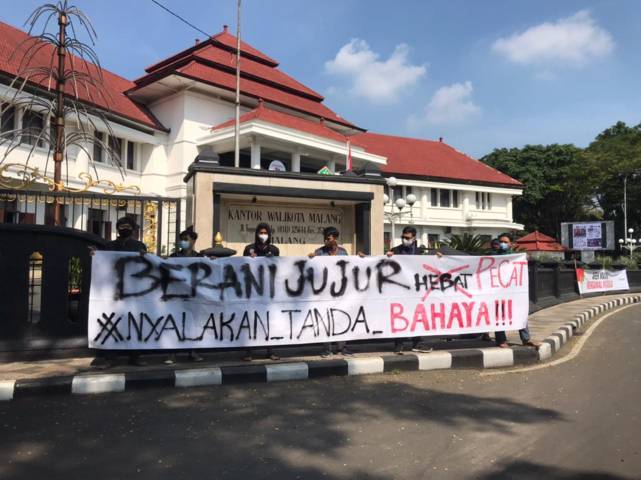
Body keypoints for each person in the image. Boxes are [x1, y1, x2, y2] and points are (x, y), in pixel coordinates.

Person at [91, 216, 148, 368]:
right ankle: (110, 358)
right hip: (113, 292)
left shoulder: (139, 246)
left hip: (134, 292)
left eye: (127, 226)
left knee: (134, 323)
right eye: (121, 225)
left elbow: (146, 266)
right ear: (117, 228)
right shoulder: (109, 246)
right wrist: (95, 255)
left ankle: (135, 357)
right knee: (112, 323)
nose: (124, 228)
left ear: (133, 228)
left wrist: (144, 257)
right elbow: (102, 262)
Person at [309, 226, 353, 357]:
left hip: (340, 292)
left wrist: (361, 258)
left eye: (329, 238)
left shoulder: (343, 253)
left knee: (341, 318)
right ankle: (327, 348)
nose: (326, 241)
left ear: (335, 239)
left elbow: (350, 268)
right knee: (325, 319)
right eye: (325, 239)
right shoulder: (319, 252)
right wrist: (311, 259)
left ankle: (342, 347)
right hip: (325, 293)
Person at [386, 227, 431, 354]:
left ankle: (417, 343)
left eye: (407, 238)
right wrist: (388, 256)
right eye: (403, 237)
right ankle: (399, 344)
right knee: (400, 317)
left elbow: (429, 265)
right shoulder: (395, 251)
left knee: (417, 317)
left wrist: (438, 258)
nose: (405, 240)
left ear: (414, 238)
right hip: (400, 291)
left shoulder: (419, 251)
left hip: (416, 291)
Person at [493, 232, 541, 350]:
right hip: (497, 292)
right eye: (501, 242)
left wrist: (526, 258)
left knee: (520, 313)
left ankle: (526, 339)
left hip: (513, 291)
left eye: (505, 242)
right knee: (499, 315)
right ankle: (501, 340)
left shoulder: (516, 257)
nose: (502, 244)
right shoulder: (493, 256)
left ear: (511, 244)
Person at [165, 227, 204, 364]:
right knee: (175, 323)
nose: (183, 242)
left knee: (192, 324)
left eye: (186, 239)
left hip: (194, 296)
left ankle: (192, 352)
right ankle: (172, 354)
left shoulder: (200, 258)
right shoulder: (174, 257)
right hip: (177, 295)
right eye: (181, 240)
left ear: (193, 241)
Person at [242, 223, 280, 361]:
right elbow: (243, 266)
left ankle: (270, 350)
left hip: (268, 291)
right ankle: (248, 351)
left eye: (265, 232)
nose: (263, 235)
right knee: (252, 320)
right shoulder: (249, 249)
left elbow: (278, 267)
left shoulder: (274, 250)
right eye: (261, 232)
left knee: (269, 321)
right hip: (252, 290)